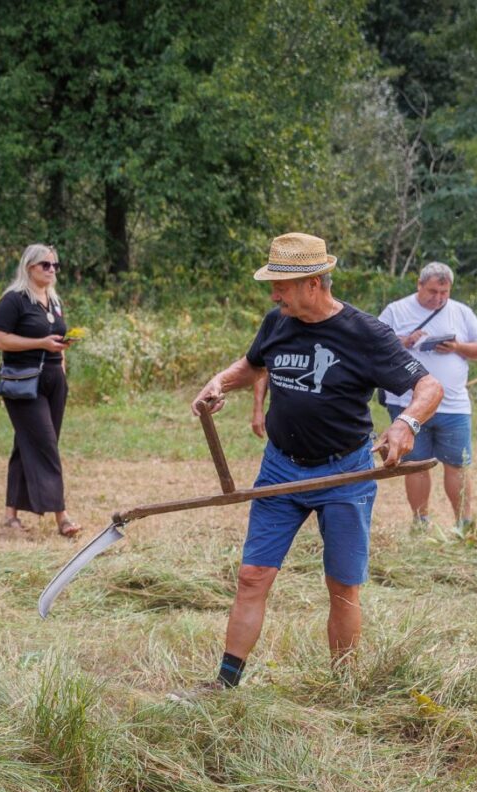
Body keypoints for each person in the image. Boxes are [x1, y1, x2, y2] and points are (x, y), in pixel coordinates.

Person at [187, 232, 443, 692]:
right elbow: (253, 364)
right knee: (252, 577)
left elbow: (429, 389)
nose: (274, 294)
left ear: (313, 284)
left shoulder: (366, 334)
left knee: (343, 587)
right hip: (281, 470)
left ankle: (343, 687)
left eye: (281, 285)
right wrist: (220, 382)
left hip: (345, 472)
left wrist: (406, 424)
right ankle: (224, 685)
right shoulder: (277, 322)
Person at [379, 261, 477, 530]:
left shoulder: (461, 312)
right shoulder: (396, 310)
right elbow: (373, 346)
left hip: (453, 406)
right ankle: (421, 522)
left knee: (457, 464)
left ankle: (463, 524)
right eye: (432, 291)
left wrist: (457, 347)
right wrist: (405, 341)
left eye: (445, 292)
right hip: (408, 404)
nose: (439, 298)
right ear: (419, 285)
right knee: (415, 464)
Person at [0, 244, 82, 537]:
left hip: (54, 380)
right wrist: (39, 344)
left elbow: (56, 339)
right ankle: (62, 517)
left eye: (55, 265)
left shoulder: (54, 302)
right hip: (24, 381)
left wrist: (62, 365)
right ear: (29, 267)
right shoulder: (13, 300)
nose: (52, 270)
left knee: (29, 443)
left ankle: (10, 516)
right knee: (45, 445)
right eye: (46, 265)